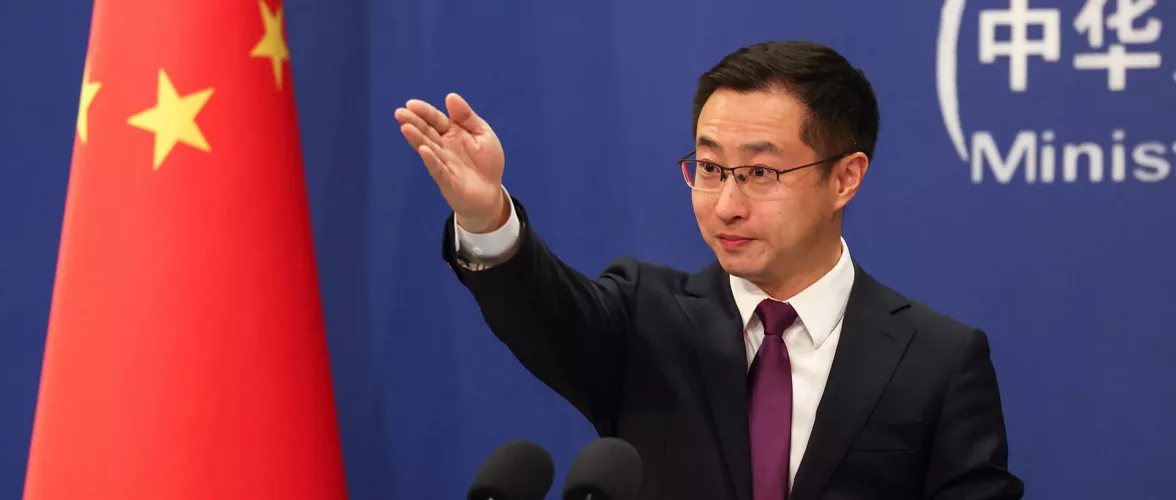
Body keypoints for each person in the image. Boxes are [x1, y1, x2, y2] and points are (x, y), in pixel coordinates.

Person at [395, 40, 1024, 500]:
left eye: (760, 173)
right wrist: (485, 216)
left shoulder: (937, 361)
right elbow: (543, 310)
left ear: (845, 178)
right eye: (711, 168)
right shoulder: (644, 318)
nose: (725, 205)